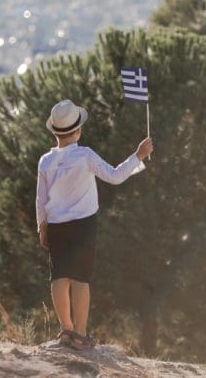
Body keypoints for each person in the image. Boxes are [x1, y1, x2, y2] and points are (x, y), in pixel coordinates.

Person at [36, 99, 153, 350]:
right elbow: (115, 176)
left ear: (55, 131)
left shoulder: (45, 161)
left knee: (59, 276)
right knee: (80, 279)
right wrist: (138, 156)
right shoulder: (85, 156)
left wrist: (41, 226)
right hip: (83, 225)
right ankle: (80, 334)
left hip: (56, 224)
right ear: (78, 131)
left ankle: (65, 329)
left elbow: (40, 198)